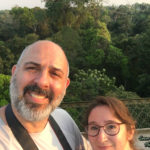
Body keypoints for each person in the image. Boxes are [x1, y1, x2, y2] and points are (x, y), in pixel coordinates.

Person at [0, 40, 87, 150]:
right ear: (14, 74)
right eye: (32, 68)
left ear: (65, 85)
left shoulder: (64, 119)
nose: (42, 82)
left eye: (55, 74)